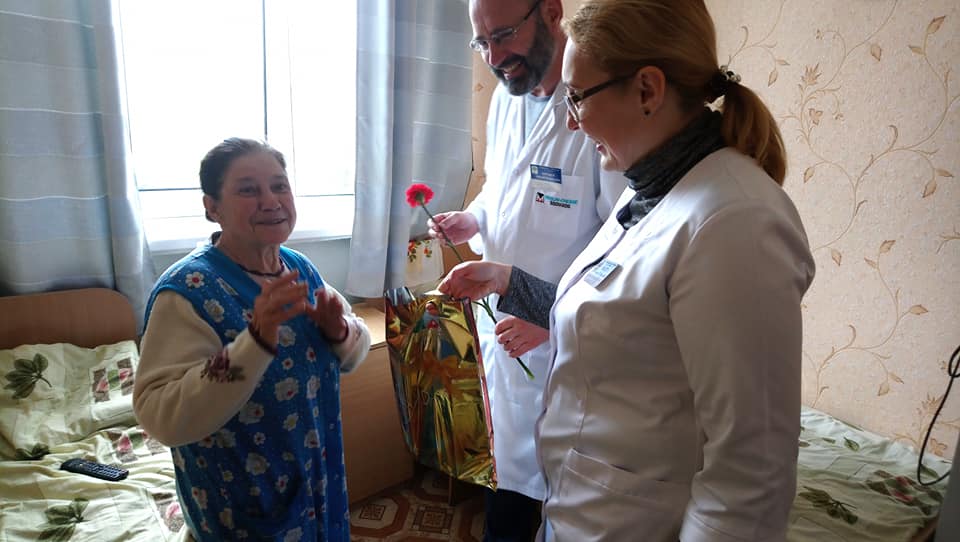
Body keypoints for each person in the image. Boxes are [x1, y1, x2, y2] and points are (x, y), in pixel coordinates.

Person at [438, 0, 816, 540]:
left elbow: (750, 478)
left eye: (578, 98)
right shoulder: (648, 194)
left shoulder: (736, 223)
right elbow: (613, 310)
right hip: (584, 509)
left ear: (647, 90)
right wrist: (507, 281)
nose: (570, 121)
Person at [428, 0, 623, 540]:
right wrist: (473, 218)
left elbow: (622, 245)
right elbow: (503, 185)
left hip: (567, 340)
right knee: (508, 478)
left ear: (552, 12)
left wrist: (550, 317)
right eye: (482, 42)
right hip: (504, 328)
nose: (494, 57)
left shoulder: (596, 107)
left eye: (505, 35)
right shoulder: (506, 100)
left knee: (563, 492)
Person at [133, 138, 371, 541]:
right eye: (248, 190)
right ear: (212, 207)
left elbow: (353, 347)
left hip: (316, 485)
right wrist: (255, 341)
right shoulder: (187, 291)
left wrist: (340, 331)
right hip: (239, 507)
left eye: (279, 186)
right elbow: (160, 416)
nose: (271, 201)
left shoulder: (298, 268)